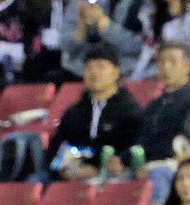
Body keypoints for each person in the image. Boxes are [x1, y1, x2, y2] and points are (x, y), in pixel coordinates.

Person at [46, 44, 141, 181]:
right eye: (89, 67)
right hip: (70, 175)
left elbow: (132, 147)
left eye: (101, 66)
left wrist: (97, 168)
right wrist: (63, 168)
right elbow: (56, 147)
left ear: (116, 71)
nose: (94, 72)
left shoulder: (129, 111)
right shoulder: (74, 112)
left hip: (111, 176)